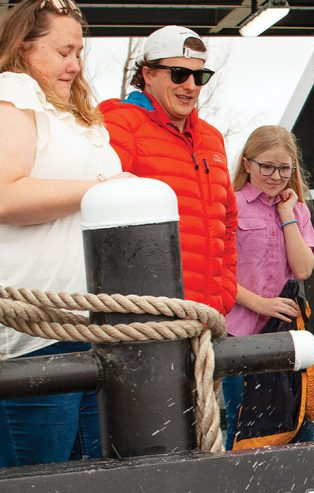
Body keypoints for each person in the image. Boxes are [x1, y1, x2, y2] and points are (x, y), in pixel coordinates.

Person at [0, 0, 124, 465]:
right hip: (35, 335)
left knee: (85, 487)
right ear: (23, 48)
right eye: (63, 51)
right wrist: (102, 189)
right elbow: (5, 197)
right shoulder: (13, 91)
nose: (75, 64)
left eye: (80, 53)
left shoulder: (74, 112)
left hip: (87, 326)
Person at [99, 26, 237, 315]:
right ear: (148, 75)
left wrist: (225, 293)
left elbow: (228, 223)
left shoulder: (212, 138)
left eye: (200, 76)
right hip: (148, 318)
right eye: (178, 74)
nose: (191, 86)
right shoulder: (120, 126)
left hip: (207, 316)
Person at [223, 126, 314, 448]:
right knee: (244, 423)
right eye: (266, 166)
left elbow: (303, 268)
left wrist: (286, 214)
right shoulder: (229, 206)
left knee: (299, 418)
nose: (275, 175)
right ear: (247, 163)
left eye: (283, 168)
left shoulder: (297, 210)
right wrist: (260, 304)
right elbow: (216, 272)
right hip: (240, 333)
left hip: (285, 332)